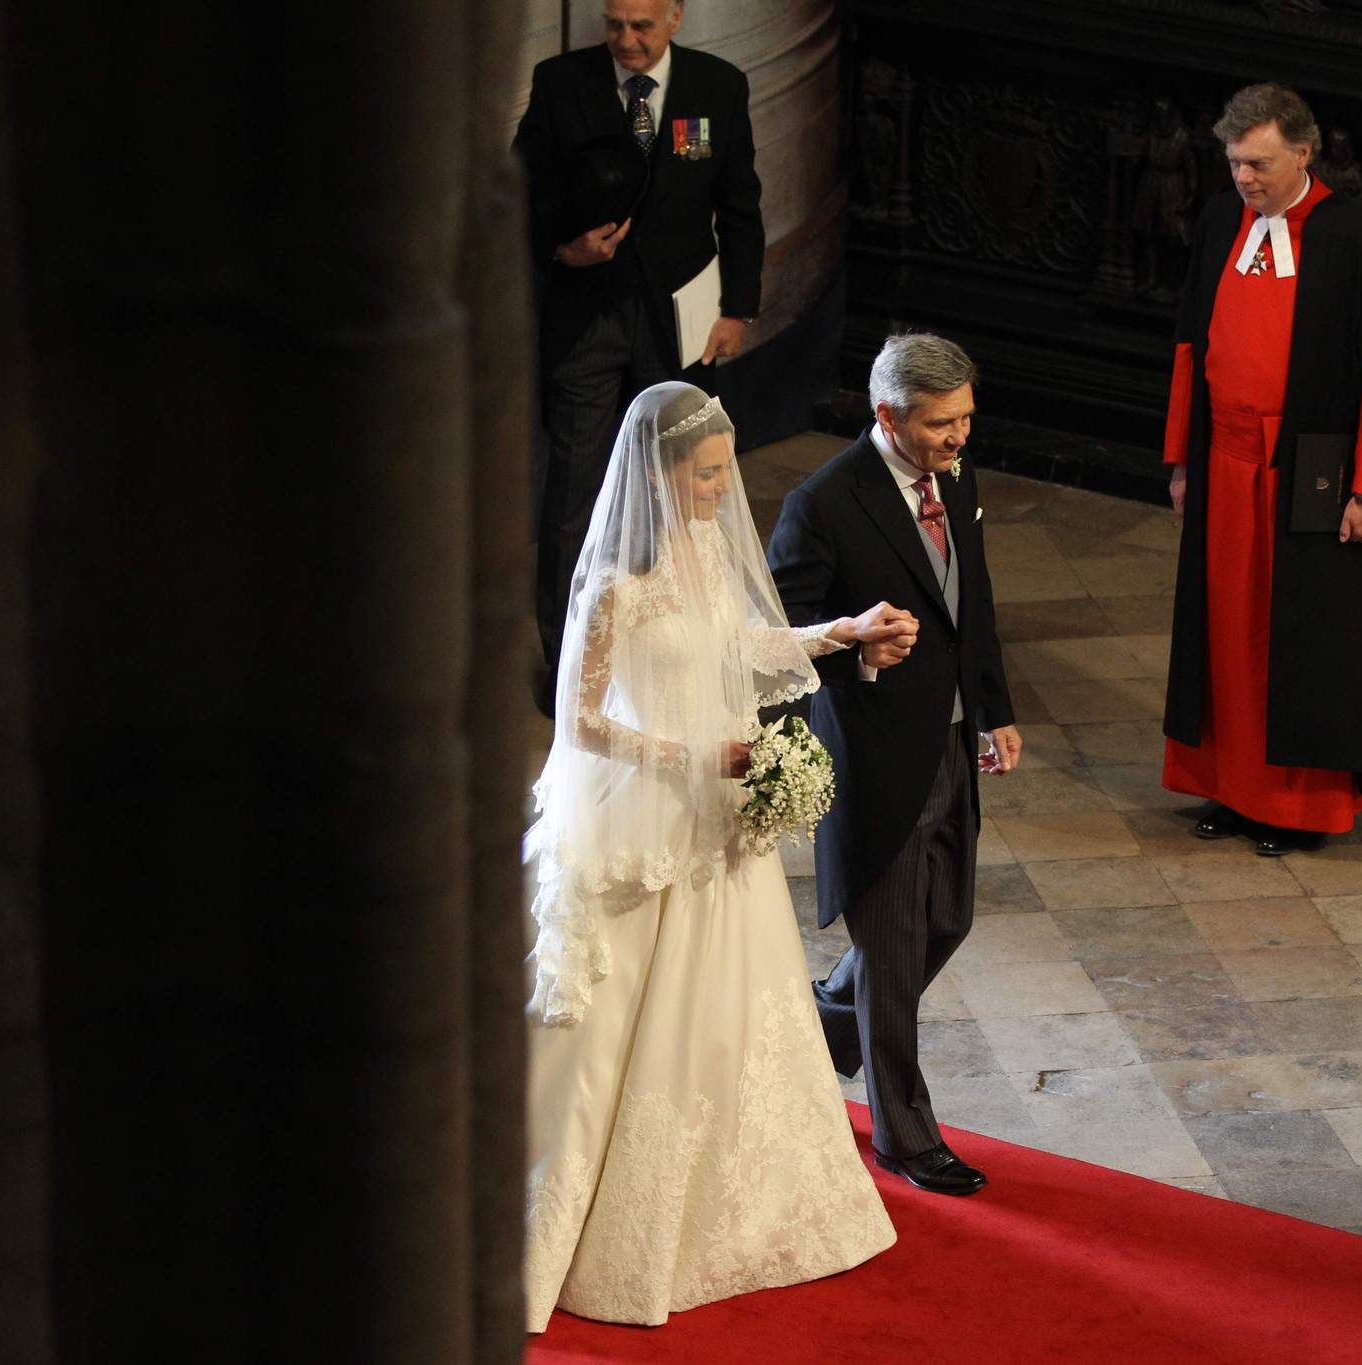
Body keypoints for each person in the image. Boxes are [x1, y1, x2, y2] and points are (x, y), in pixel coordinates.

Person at [522, 382, 908, 1332]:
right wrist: (693, 755)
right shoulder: (615, 587)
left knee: (734, 1009)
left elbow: (743, 642)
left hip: (722, 815)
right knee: (619, 1022)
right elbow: (579, 719)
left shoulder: (701, 549)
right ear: (659, 475)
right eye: (705, 474)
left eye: (725, 470)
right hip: (649, 820)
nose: (721, 490)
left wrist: (841, 631)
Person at [766, 333, 1021, 1198]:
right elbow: (777, 645)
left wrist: (995, 709)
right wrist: (860, 651)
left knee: (946, 920)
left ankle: (826, 1014)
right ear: (887, 416)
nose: (959, 436)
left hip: (949, 741)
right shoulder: (824, 503)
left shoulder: (958, 477)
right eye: (942, 423)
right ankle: (906, 1139)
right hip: (873, 759)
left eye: (966, 419)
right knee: (897, 952)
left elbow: (972, 602)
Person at [1159, 83, 1362, 855]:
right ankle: (1235, 790)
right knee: (1226, 635)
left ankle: (1295, 808)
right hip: (1225, 465)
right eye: (1236, 162)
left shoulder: (1356, 238)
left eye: (1261, 164)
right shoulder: (1219, 223)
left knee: (1301, 640)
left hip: (1311, 473)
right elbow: (1188, 351)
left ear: (1304, 153)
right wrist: (1181, 461)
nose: (1245, 178)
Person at [514, 0, 765, 716]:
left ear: (676, 20)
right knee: (573, 494)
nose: (625, 40)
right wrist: (560, 248)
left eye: (641, 27)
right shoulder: (561, 82)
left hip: (680, 323)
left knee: (683, 491)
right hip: (585, 318)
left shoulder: (718, 88)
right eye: (614, 24)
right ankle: (571, 672)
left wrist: (737, 308)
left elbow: (740, 206)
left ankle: (672, 655)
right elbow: (516, 190)